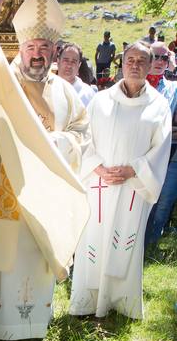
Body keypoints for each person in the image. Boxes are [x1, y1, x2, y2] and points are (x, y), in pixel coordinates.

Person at [0, 0, 89, 341]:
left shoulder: (65, 91)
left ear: (55, 51)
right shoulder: (4, 78)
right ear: (21, 47)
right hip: (8, 191)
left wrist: (55, 143)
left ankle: (31, 328)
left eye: (44, 48)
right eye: (31, 47)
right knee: (4, 257)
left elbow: (82, 133)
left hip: (44, 197)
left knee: (33, 259)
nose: (37, 54)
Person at [69, 42, 171, 320]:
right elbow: (84, 141)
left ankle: (120, 302)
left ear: (150, 67)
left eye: (141, 61)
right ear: (121, 64)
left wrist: (133, 171)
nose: (135, 65)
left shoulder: (159, 107)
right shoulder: (100, 101)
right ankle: (87, 301)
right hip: (98, 185)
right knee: (93, 240)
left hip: (133, 188)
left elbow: (160, 148)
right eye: (130, 60)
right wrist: (98, 168)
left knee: (126, 241)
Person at [144, 42, 177, 248]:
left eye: (164, 58)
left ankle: (150, 248)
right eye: (155, 56)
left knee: (163, 203)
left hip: (169, 154)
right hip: (140, 154)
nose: (159, 62)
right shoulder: (134, 85)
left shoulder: (174, 88)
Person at [57, 42, 94, 107]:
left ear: (79, 65)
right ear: (58, 61)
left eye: (74, 61)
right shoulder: (46, 89)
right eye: (66, 60)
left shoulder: (89, 95)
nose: (69, 65)